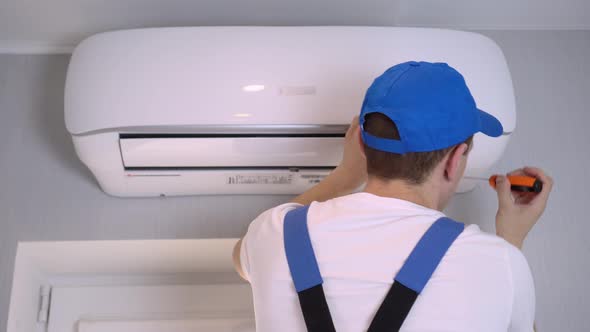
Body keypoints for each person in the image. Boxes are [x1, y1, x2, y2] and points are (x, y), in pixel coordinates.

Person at [233, 61, 552, 332]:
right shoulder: (500, 263)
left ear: (360, 143)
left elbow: (239, 257)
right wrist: (511, 242)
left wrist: (344, 176)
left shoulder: (272, 233)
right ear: (455, 159)